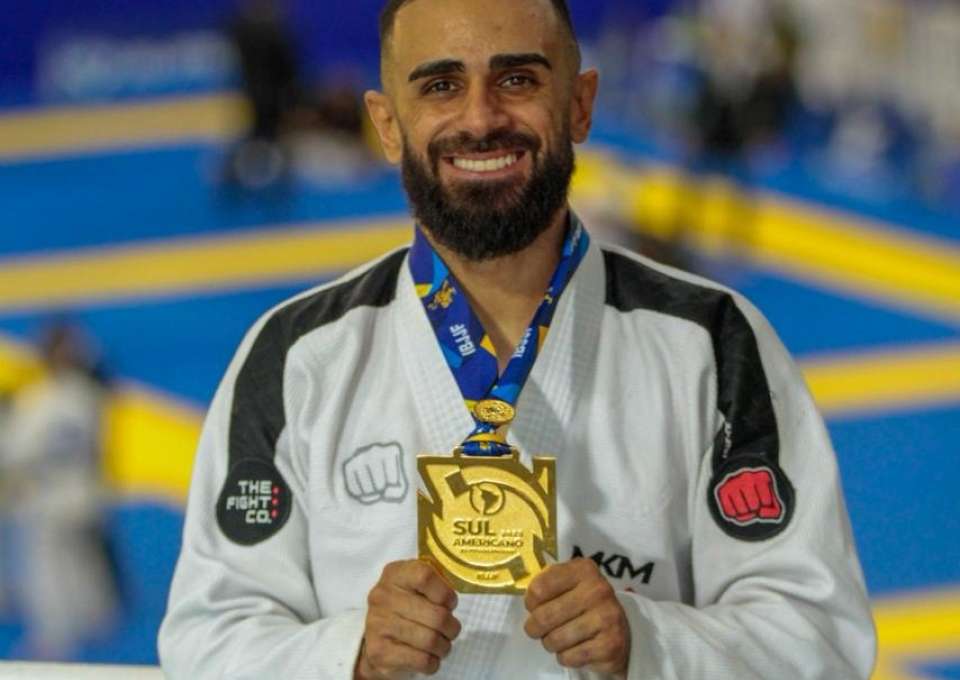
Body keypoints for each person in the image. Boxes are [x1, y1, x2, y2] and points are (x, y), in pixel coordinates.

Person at [159, 0, 876, 678]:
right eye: (441, 85)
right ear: (386, 124)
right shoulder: (297, 358)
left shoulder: (712, 344)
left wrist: (650, 642)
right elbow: (206, 640)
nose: (480, 118)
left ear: (580, 104)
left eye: (518, 80)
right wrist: (351, 656)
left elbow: (820, 637)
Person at [3, 322, 116, 658]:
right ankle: (97, 621)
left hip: (48, 498)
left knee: (47, 570)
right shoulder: (89, 397)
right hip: (84, 492)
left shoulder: (41, 401)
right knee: (82, 562)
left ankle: (53, 638)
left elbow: (14, 453)